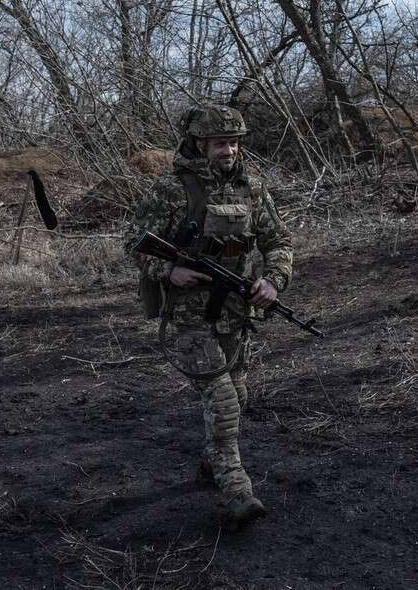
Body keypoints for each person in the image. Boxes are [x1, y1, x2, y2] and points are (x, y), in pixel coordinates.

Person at [125, 104, 293, 531]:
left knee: (238, 396)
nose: (229, 150)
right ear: (200, 144)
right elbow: (134, 244)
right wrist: (169, 270)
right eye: (221, 143)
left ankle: (211, 460)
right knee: (222, 400)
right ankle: (237, 489)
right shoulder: (171, 190)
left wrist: (273, 281)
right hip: (188, 316)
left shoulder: (253, 188)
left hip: (236, 310)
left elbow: (278, 241)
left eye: (234, 142)